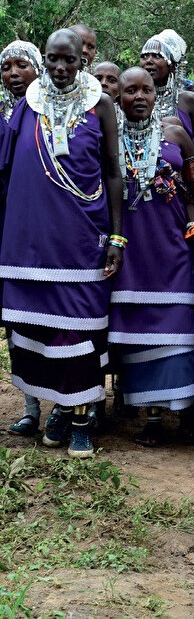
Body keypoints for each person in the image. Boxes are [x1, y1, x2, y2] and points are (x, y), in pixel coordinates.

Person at [0, 28, 123, 457]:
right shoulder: (26, 106)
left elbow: (112, 171)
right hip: (30, 244)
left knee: (79, 333)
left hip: (83, 240)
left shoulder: (101, 104)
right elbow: (7, 171)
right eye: (52, 59)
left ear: (82, 60)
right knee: (36, 328)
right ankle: (57, 409)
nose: (59, 67)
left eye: (68, 60)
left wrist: (116, 236)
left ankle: (83, 418)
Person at [110, 67, 194, 446]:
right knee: (139, 336)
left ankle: (187, 409)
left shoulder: (175, 134)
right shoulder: (110, 137)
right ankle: (151, 417)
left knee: (177, 334)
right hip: (131, 250)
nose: (138, 97)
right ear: (119, 97)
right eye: (129, 90)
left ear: (156, 94)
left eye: (145, 90)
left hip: (173, 250)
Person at [1, 40, 44, 437]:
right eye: (7, 67)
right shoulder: (6, 114)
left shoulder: (47, 114)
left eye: (22, 66)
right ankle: (30, 407)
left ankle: (74, 404)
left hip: (43, 232)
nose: (14, 73)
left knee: (59, 318)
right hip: (7, 231)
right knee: (17, 322)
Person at [139, 32, 194, 136]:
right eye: (144, 56)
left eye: (157, 56)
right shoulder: (134, 97)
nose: (149, 61)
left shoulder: (188, 98)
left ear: (173, 66)